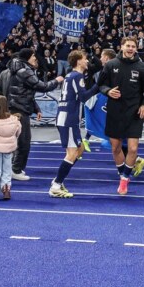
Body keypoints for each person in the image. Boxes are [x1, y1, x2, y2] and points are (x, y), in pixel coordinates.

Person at [98, 37, 144, 195]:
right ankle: (123, 173)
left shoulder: (142, 67)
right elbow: (100, 84)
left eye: (133, 46)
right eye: (128, 45)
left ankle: (124, 179)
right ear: (121, 47)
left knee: (133, 148)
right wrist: (108, 91)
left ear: (136, 49)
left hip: (134, 112)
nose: (130, 48)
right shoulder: (111, 64)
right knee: (115, 148)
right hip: (114, 111)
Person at [3, 47, 62, 182]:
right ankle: (15, 170)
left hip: (17, 108)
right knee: (23, 142)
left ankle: (13, 168)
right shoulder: (24, 70)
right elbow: (42, 86)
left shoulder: (19, 69)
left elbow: (25, 92)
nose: (36, 58)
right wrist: (57, 80)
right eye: (33, 56)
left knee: (19, 141)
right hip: (19, 110)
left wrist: (36, 108)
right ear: (28, 57)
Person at [50, 49, 98, 198]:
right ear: (78, 61)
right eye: (85, 58)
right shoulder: (77, 76)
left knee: (80, 149)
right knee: (72, 153)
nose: (87, 61)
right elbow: (83, 97)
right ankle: (56, 185)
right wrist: (98, 86)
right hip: (68, 118)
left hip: (66, 117)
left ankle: (58, 179)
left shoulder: (70, 75)